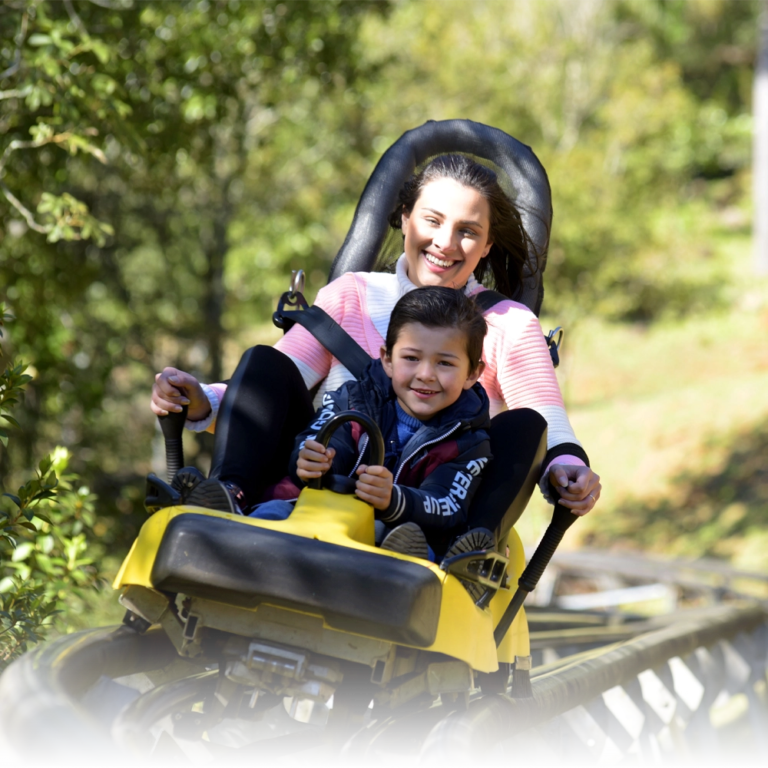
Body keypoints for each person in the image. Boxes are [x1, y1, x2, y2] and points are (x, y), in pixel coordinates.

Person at [151, 154, 601, 547]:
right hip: (329, 482)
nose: (445, 242)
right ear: (404, 217)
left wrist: (567, 468)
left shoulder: (509, 324)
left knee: (525, 424)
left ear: (486, 246)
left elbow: (550, 427)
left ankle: (466, 552)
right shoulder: (352, 296)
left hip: (435, 505)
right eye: (433, 220)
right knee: (263, 360)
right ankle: (231, 496)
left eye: (468, 231)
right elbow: (272, 383)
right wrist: (203, 400)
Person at [248, 286, 492, 561]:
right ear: (387, 359)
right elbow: (323, 437)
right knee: (273, 510)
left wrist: (395, 499)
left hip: (392, 533)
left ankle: (396, 569)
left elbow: (448, 503)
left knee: (416, 549)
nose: (425, 374)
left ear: (472, 373)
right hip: (314, 512)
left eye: (444, 363)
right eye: (411, 358)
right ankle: (232, 528)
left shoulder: (469, 441)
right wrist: (312, 460)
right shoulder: (352, 397)